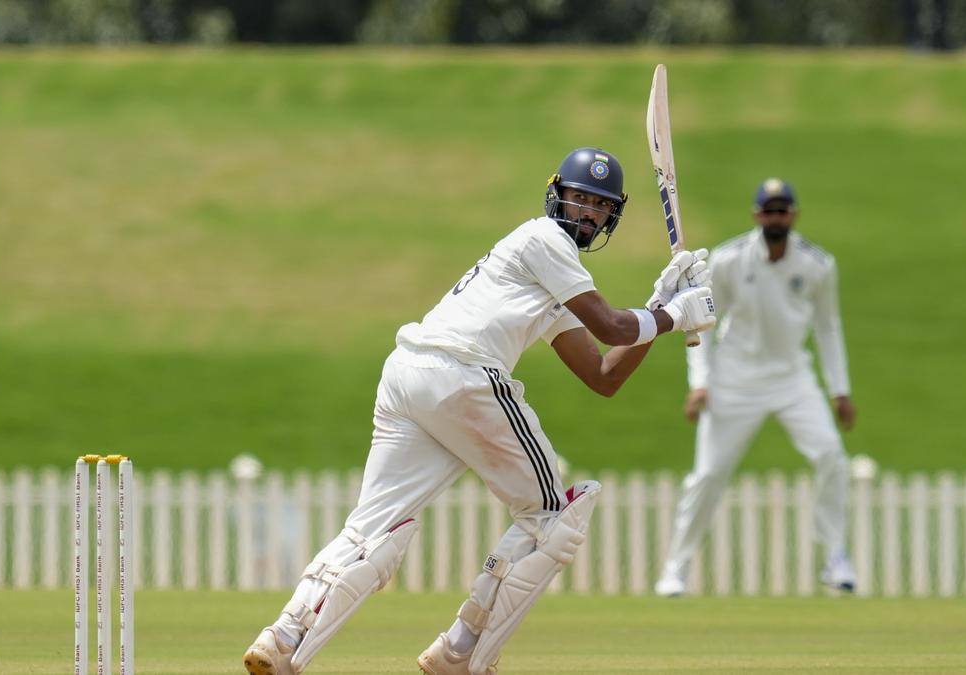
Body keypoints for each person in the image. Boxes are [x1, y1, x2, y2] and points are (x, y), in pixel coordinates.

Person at [243, 147, 716, 675]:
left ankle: (283, 637)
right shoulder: (546, 238)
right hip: (462, 376)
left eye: (599, 205)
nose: (586, 212)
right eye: (579, 198)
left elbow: (603, 374)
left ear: (612, 215)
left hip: (408, 377)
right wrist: (673, 315)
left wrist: (659, 303)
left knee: (372, 529)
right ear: (556, 195)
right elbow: (611, 325)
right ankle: (462, 649)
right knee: (553, 517)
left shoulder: (551, 274)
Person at [653, 177, 858, 597]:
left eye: (783, 209)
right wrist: (700, 383)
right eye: (769, 210)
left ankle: (836, 555)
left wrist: (840, 390)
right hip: (734, 377)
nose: (776, 217)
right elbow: (704, 323)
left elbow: (828, 327)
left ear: (794, 215)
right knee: (708, 474)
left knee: (831, 455)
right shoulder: (729, 259)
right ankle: (676, 567)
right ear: (756, 215)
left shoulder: (818, 264)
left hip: (791, 376)